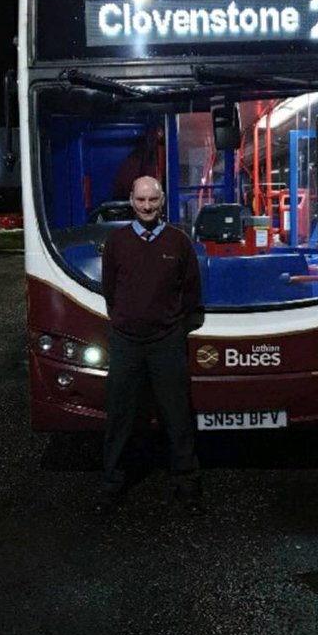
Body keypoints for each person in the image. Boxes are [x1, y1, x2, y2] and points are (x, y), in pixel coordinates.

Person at [100, 175, 205, 511]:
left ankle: (187, 483)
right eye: (141, 200)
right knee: (120, 416)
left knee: (177, 415)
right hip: (125, 342)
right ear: (132, 201)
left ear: (162, 202)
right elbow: (110, 290)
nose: (147, 206)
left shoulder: (179, 242)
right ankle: (113, 484)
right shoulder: (116, 242)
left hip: (166, 342)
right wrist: (126, 320)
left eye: (153, 200)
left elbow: (191, 291)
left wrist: (172, 326)